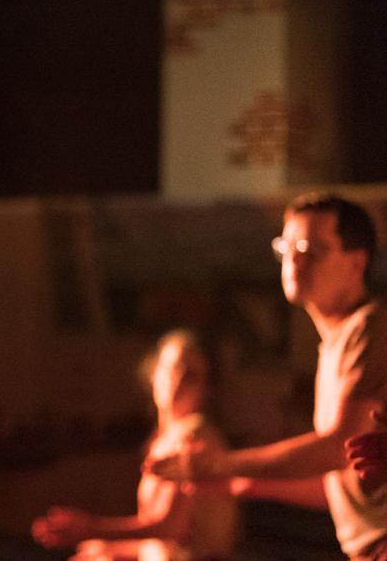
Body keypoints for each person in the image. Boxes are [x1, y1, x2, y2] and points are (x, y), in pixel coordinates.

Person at [148, 193, 384, 561]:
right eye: (286, 247)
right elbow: (344, 482)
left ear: (357, 261)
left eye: (310, 248)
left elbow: (337, 448)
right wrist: (246, 484)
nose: (295, 259)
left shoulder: (370, 328)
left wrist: (220, 464)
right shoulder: (336, 344)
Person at [32, 330, 237, 561]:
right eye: (172, 368)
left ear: (206, 389)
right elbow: (160, 544)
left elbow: (169, 527)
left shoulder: (194, 435)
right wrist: (112, 550)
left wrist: (89, 528)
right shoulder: (162, 438)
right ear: (154, 374)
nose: (178, 379)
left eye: (190, 375)